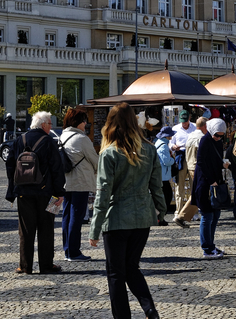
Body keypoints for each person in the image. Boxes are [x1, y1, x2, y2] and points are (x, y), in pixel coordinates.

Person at [88, 102, 165, 319]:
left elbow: (103, 193)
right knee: (132, 267)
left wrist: (94, 229)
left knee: (115, 274)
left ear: (110, 123)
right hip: (142, 217)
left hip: (116, 219)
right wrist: (161, 210)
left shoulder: (109, 153)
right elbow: (156, 186)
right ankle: (150, 309)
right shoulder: (149, 149)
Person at [5, 111, 66, 274]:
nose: (51, 127)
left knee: (25, 229)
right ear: (44, 124)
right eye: (50, 124)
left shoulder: (19, 140)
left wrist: (13, 188)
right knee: (47, 228)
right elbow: (57, 169)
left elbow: (10, 165)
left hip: (23, 192)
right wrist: (60, 192)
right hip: (48, 194)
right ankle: (46, 265)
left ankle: (25, 266)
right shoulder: (49, 141)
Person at [59, 109, 98, 262]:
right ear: (79, 122)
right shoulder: (82, 139)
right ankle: (74, 252)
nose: (86, 124)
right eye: (85, 121)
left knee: (67, 216)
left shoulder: (63, 136)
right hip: (80, 181)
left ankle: (67, 249)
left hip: (65, 182)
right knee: (77, 216)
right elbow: (95, 159)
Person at [193, 117, 229, 259]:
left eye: (221, 135)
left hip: (215, 182)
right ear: (211, 131)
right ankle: (207, 248)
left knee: (215, 215)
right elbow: (201, 162)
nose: (219, 138)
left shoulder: (217, 141)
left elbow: (215, 160)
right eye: (216, 135)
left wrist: (223, 165)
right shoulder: (205, 140)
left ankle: (211, 244)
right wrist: (211, 180)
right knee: (207, 216)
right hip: (205, 184)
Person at [169, 113, 198, 222]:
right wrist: (173, 147)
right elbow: (170, 143)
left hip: (192, 155)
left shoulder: (194, 127)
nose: (184, 123)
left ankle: (193, 212)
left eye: (186, 121)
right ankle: (178, 212)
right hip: (180, 155)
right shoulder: (176, 128)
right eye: (182, 121)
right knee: (179, 186)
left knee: (193, 185)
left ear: (189, 119)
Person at [153, 125, 175, 215]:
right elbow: (167, 161)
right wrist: (173, 160)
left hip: (160, 174)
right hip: (163, 175)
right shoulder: (164, 146)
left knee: (162, 196)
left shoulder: (158, 142)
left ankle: (160, 216)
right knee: (167, 196)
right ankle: (161, 216)